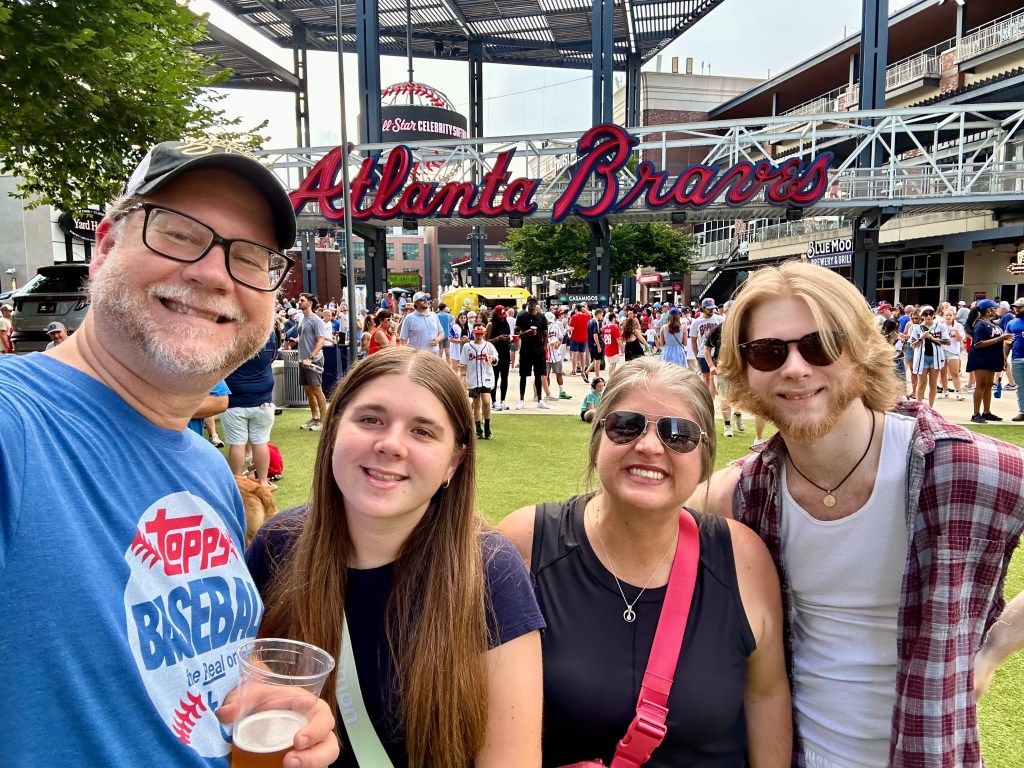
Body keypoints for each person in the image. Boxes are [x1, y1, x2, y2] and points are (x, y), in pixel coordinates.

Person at [0, 139, 337, 766]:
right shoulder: (14, 427)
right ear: (104, 248)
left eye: (251, 257)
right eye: (180, 234)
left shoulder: (208, 471)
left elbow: (181, 674)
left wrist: (263, 695)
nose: (214, 274)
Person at [694, 260, 1024, 767]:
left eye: (821, 345)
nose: (795, 368)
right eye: (767, 351)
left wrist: (995, 646)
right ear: (743, 369)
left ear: (862, 350)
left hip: (929, 752)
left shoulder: (969, 467)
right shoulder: (740, 493)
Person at [248, 347, 544, 768]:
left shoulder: (492, 571)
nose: (390, 445)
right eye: (371, 419)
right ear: (333, 429)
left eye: (422, 431)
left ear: (454, 463)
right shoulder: (278, 543)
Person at [499, 357, 790, 767]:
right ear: (598, 440)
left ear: (705, 458)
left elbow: (766, 697)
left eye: (679, 434)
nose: (649, 446)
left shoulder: (743, 559)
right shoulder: (525, 544)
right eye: (626, 426)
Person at [223, 329, 279, 489]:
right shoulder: (268, 333)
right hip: (263, 399)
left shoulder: (231, 333)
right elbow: (272, 357)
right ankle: (263, 481)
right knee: (261, 442)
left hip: (235, 399)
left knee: (237, 444)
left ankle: (237, 484)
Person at [966, 298, 1012, 423]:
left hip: (991, 357)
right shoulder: (980, 324)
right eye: (994, 308)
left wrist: (1003, 358)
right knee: (980, 384)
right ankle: (976, 413)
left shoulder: (990, 323)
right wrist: (1000, 338)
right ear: (988, 310)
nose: (996, 310)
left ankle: (987, 412)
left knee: (988, 385)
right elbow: (978, 343)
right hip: (981, 358)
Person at [297, 292, 332, 432]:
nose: (299, 302)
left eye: (302, 300)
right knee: (308, 389)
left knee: (316, 389)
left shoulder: (316, 320)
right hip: (303, 360)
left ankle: (324, 421)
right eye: (299, 300)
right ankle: (315, 418)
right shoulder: (302, 319)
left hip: (313, 360)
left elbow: (320, 341)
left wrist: (310, 357)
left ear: (309, 303)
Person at [908, 304, 950, 407]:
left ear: (933, 315)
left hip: (935, 358)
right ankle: (919, 406)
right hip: (922, 358)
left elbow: (947, 342)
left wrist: (933, 339)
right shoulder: (917, 328)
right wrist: (921, 338)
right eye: (925, 314)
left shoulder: (941, 327)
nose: (928, 316)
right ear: (922, 316)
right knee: (921, 383)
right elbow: (913, 345)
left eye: (930, 314)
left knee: (933, 383)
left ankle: (931, 407)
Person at [462, 324, 498, 439]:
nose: (479, 336)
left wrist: (493, 358)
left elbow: (496, 359)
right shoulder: (467, 346)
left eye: (481, 334)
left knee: (486, 402)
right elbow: (463, 364)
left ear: (484, 334)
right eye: (477, 333)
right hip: (473, 379)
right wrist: (463, 377)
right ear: (474, 333)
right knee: (476, 403)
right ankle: (478, 430)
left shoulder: (488, 345)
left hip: (486, 377)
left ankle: (487, 427)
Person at [515, 297, 550, 410]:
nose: (532, 304)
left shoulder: (541, 317)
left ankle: (540, 399)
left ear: (536, 304)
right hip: (526, 348)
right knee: (523, 375)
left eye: (534, 302)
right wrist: (526, 333)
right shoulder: (521, 316)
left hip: (538, 348)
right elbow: (516, 333)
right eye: (530, 302)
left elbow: (545, 334)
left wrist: (544, 347)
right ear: (527, 303)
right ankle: (521, 400)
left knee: (538, 374)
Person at [487, 305, 512, 410]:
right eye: (500, 316)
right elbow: (486, 340)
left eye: (503, 316)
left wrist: (509, 340)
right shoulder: (491, 324)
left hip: (505, 352)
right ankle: (494, 401)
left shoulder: (506, 323)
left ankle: (503, 400)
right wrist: (498, 338)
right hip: (494, 353)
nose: (502, 318)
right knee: (495, 377)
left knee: (505, 377)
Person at [939, 306, 966, 401]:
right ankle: (945, 390)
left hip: (953, 351)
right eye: (946, 315)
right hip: (942, 350)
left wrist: (955, 331)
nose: (948, 317)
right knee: (942, 372)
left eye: (950, 315)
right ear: (943, 316)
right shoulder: (940, 325)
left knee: (955, 373)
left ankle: (958, 391)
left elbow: (959, 339)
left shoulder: (958, 325)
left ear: (953, 316)